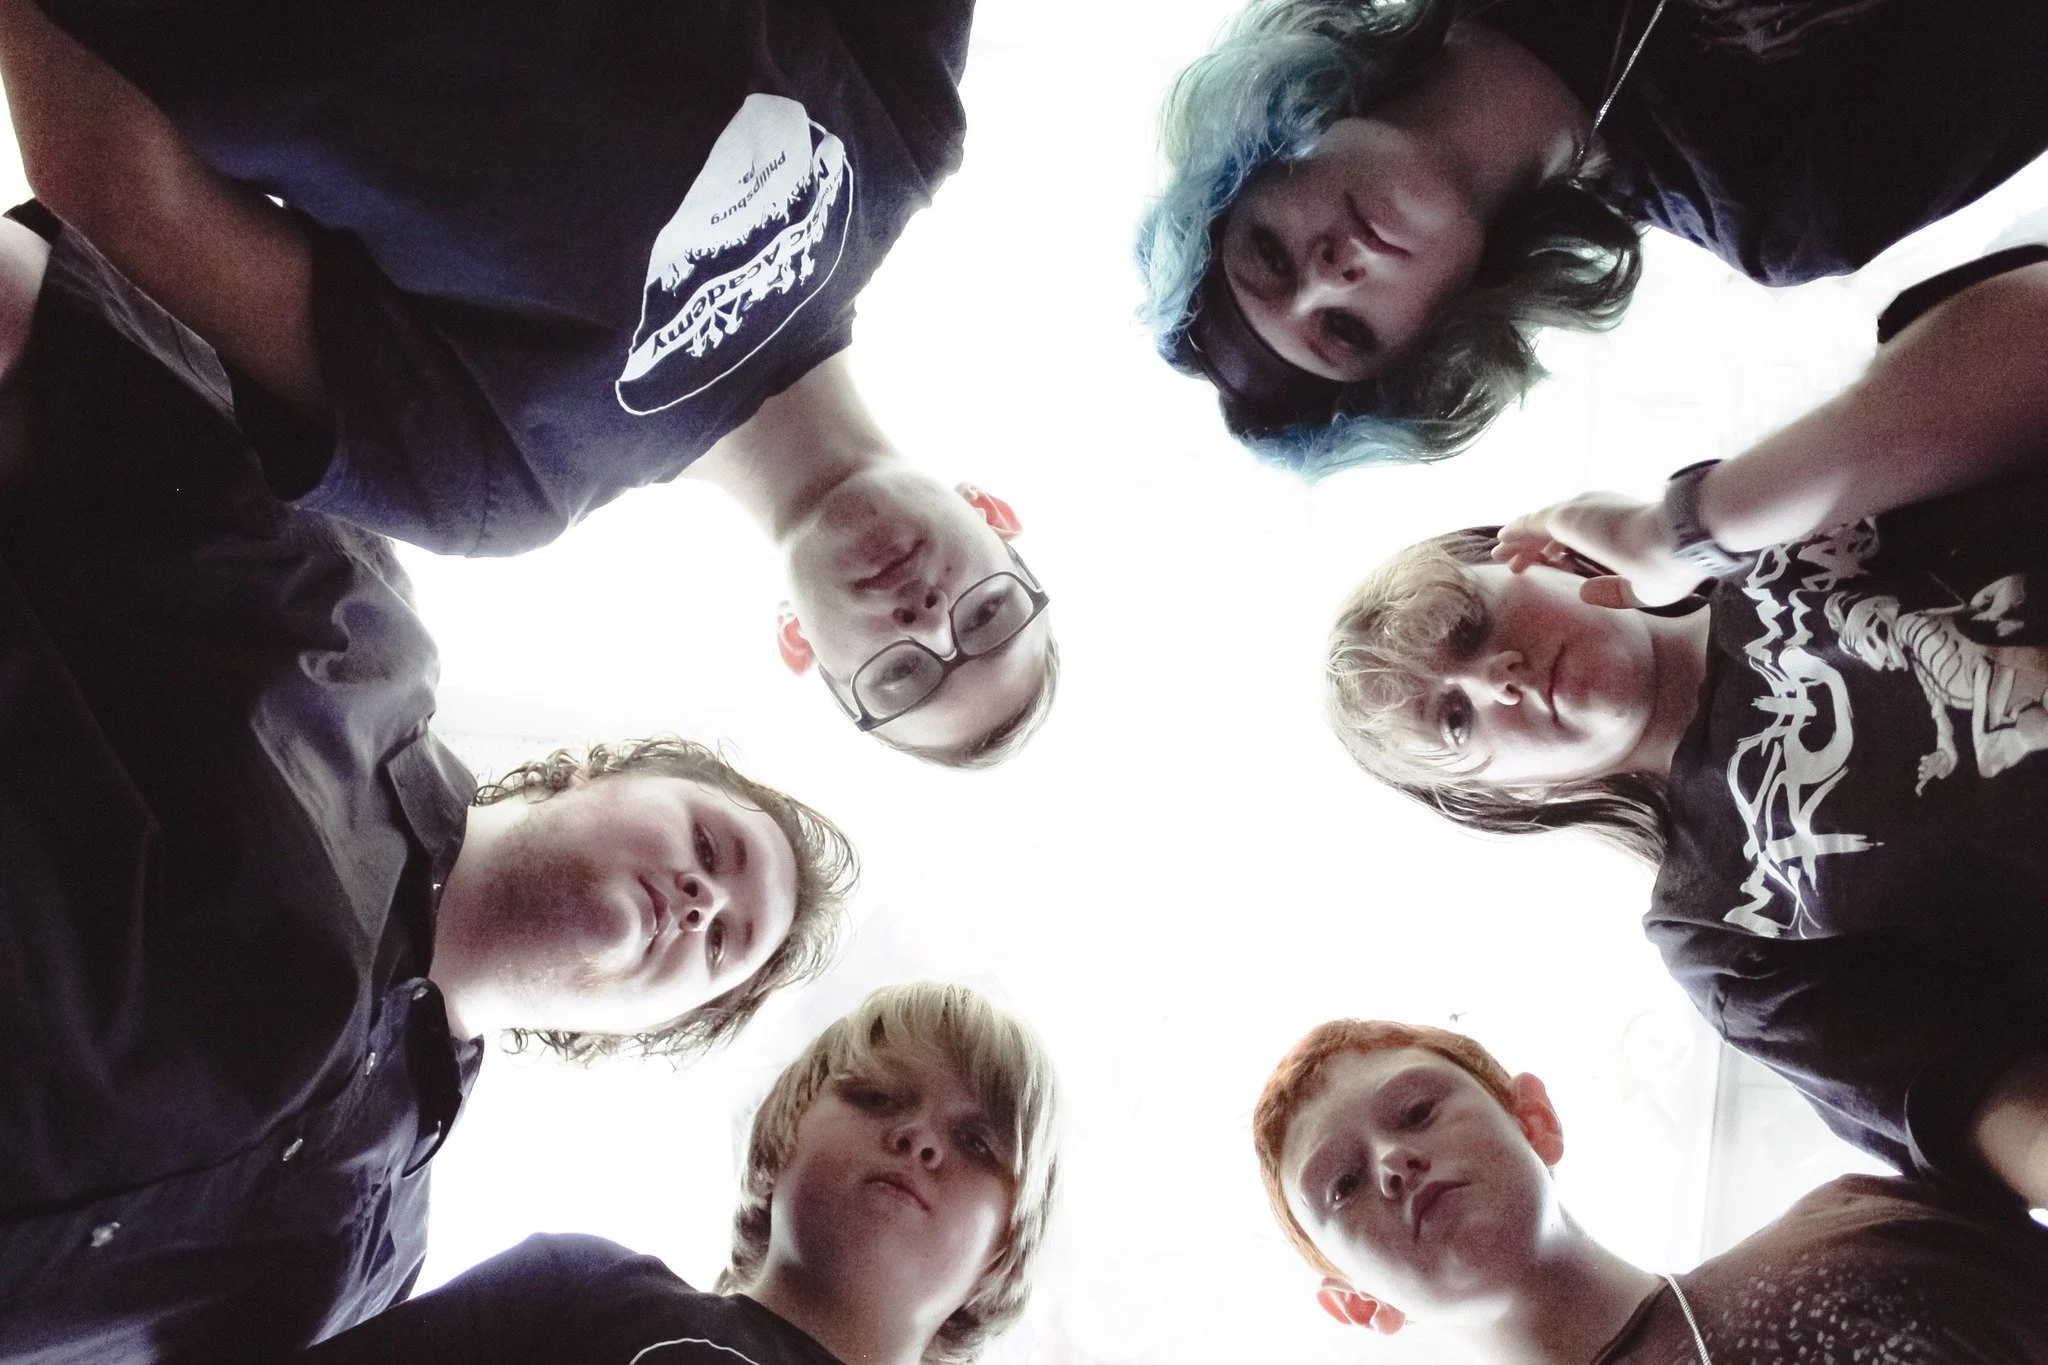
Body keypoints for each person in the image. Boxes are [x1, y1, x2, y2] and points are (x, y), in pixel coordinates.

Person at [0, 206, 859, 1364]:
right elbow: (42, 333)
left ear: (646, 1031)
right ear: (601, 766)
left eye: (724, 947)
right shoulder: (348, 631)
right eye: (713, 847)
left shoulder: (371, 1275)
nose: (703, 904)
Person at [2, 0, 1058, 766]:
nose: (925, 621)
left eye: (903, 677)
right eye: (984, 619)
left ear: (797, 644)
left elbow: (132, 203)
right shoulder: (907, 133)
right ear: (994, 514)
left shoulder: (500, 489)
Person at [1320, 248, 2048, 1208]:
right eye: (1454, 716)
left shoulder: (1779, 502)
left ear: (1534, 551)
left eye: (1474, 624)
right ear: (1502, 794)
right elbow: (1995, 1107)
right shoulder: (1715, 932)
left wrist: (1688, 529)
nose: (1494, 676)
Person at [1137, 0, 2048, 474]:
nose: (1331, 274)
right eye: (1347, 329)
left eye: (1269, 255)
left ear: (1252, 164)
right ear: (1437, 331)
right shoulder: (1780, 205)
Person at [294, 980, 1063, 1365]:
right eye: (876, 1095)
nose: (918, 1138)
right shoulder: (580, 1282)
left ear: (1005, 1250)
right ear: (784, 1135)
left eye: (977, 1144)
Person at [1254, 1017, 2048, 1362]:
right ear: (1358, 1303)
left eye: (1418, 1109)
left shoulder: (1872, 1231)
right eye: (1344, 1183)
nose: (1394, 1161)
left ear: (1535, 1117)